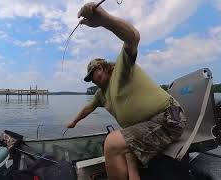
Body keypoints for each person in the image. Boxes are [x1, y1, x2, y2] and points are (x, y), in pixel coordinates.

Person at [66, 2, 187, 180]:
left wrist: (103, 19)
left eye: (94, 73)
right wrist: (73, 122)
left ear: (102, 67)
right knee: (125, 147)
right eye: (90, 78)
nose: (93, 78)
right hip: (144, 126)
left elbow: (133, 38)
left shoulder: (120, 69)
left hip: (170, 118)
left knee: (112, 143)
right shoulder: (101, 93)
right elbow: (87, 109)